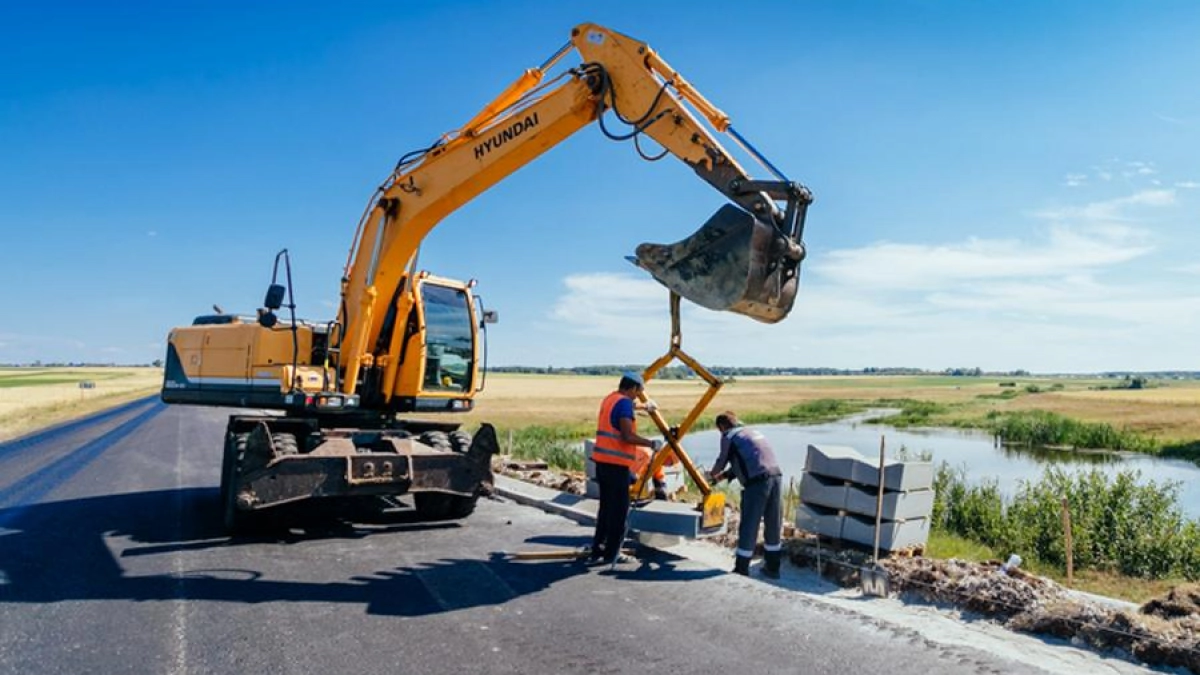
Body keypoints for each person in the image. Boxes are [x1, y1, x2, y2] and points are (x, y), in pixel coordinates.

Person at [588, 371, 662, 565]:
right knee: (619, 512)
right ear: (633, 388)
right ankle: (613, 554)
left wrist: (644, 406)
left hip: (602, 463)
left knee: (606, 509)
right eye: (638, 392)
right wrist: (651, 443)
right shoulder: (624, 403)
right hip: (616, 466)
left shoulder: (610, 399)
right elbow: (627, 436)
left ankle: (598, 549)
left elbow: (625, 407)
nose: (637, 397)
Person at [709, 411, 784, 578]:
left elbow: (722, 460)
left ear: (721, 427)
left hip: (757, 483)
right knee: (773, 523)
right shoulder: (750, 432)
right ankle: (773, 568)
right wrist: (724, 476)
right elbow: (745, 461)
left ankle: (741, 569)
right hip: (776, 477)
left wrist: (711, 475)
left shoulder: (729, 436)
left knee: (749, 524)